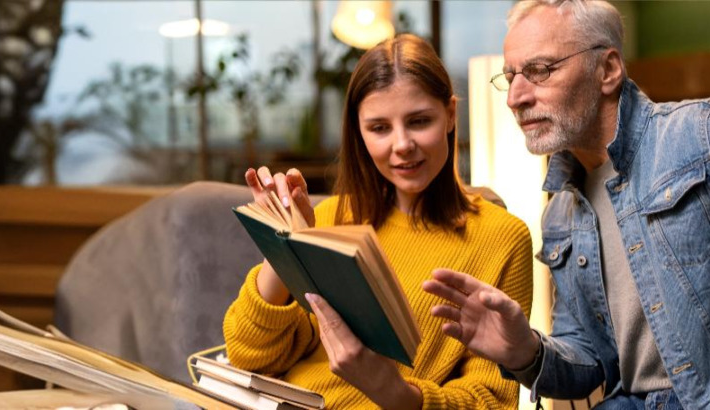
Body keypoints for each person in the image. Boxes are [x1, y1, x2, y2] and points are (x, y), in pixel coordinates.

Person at [422, 1, 710, 409]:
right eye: (511, 76)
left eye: (540, 70)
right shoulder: (561, 210)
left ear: (608, 70)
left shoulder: (707, 136)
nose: (516, 97)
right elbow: (591, 361)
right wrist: (525, 350)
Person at [222, 33, 534, 409]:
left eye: (419, 121)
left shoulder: (501, 238)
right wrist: (282, 242)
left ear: (451, 114)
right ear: (359, 130)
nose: (401, 145)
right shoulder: (328, 218)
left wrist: (393, 392)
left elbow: (494, 401)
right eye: (379, 128)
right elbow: (248, 355)